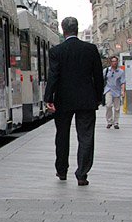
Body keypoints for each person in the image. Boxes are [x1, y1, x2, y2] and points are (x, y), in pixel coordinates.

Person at [44, 16, 105, 186]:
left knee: (62, 135)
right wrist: (98, 97)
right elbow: (98, 76)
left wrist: (49, 98)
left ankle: (62, 170)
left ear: (63, 31)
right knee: (86, 136)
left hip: (63, 100)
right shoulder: (90, 49)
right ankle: (82, 174)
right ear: (76, 29)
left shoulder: (57, 51)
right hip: (86, 99)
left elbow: (53, 76)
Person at [103, 55, 124, 129]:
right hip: (108, 89)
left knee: (117, 108)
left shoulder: (121, 72)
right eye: (113, 61)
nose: (114, 63)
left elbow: (122, 82)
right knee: (108, 105)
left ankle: (116, 122)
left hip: (117, 90)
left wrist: (123, 91)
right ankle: (109, 121)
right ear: (110, 62)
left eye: (116, 61)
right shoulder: (106, 71)